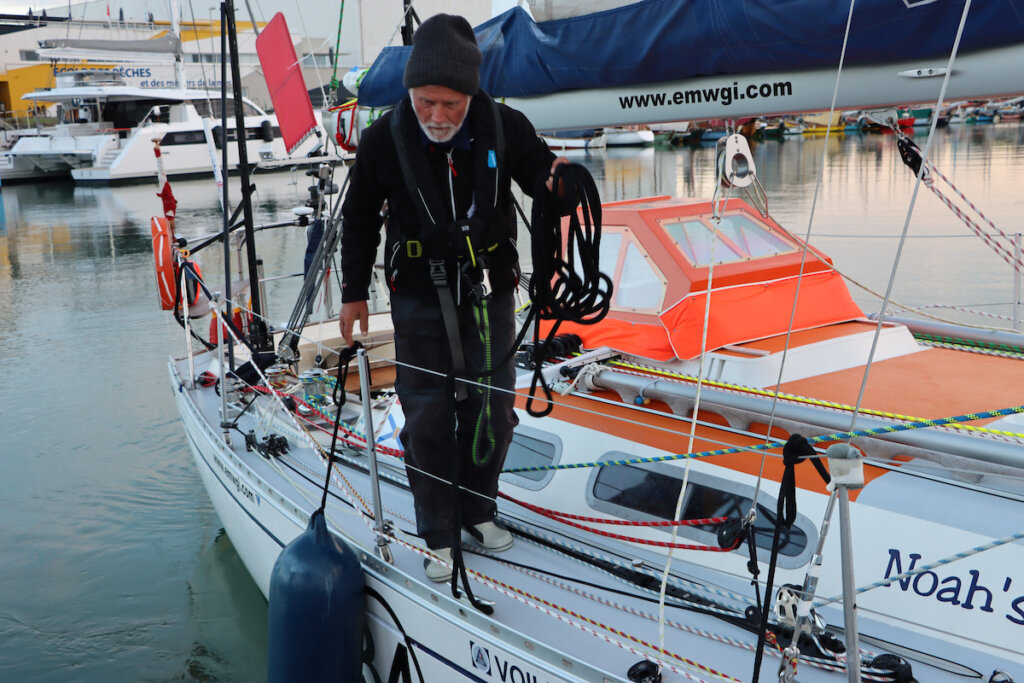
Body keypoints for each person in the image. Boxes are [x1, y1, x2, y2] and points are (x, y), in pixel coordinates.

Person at [338, 13, 567, 582]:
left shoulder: (505, 126)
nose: (436, 116)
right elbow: (360, 218)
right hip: (416, 297)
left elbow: (542, 176)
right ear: (410, 92)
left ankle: (478, 510)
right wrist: (351, 293)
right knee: (428, 417)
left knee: (493, 411)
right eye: (425, 102)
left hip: (490, 293)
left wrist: (560, 182)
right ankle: (438, 533)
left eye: (450, 104)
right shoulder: (380, 141)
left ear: (471, 93)